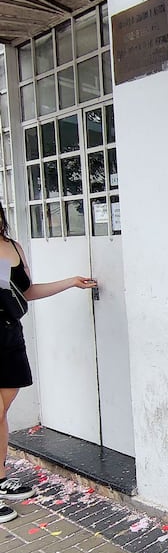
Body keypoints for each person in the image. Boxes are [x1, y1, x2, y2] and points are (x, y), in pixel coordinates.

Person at [0, 201, 97, 524]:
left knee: (2, 413)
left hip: (10, 336)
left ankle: (0, 477)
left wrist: (69, 282)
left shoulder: (12, 246)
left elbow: (25, 293)